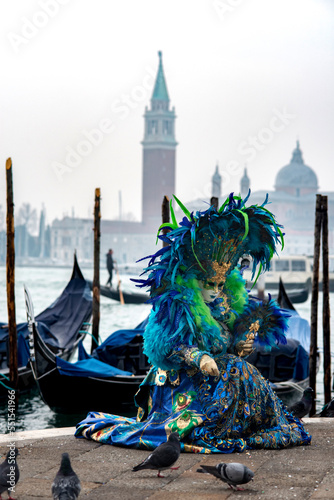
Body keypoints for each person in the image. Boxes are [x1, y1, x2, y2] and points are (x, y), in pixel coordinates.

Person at [76, 192, 311, 453]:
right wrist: (198, 357)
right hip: (179, 381)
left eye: (220, 284)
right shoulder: (176, 305)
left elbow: (228, 348)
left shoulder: (226, 304)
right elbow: (166, 347)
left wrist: (242, 345)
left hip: (218, 377)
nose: (215, 288)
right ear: (196, 278)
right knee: (232, 369)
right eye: (209, 283)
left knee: (238, 366)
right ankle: (211, 424)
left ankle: (244, 422)